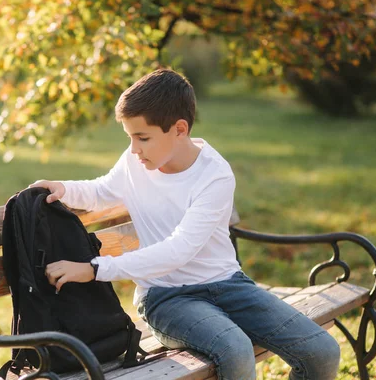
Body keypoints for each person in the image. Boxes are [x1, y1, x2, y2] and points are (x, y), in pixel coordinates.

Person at [29, 68, 340, 380]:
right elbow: (102, 190)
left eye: (143, 137)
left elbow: (179, 249)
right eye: (130, 137)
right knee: (235, 349)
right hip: (166, 298)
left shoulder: (214, 175)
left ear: (179, 129)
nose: (134, 149)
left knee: (322, 353)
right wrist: (64, 188)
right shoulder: (135, 161)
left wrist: (94, 269)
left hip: (229, 285)